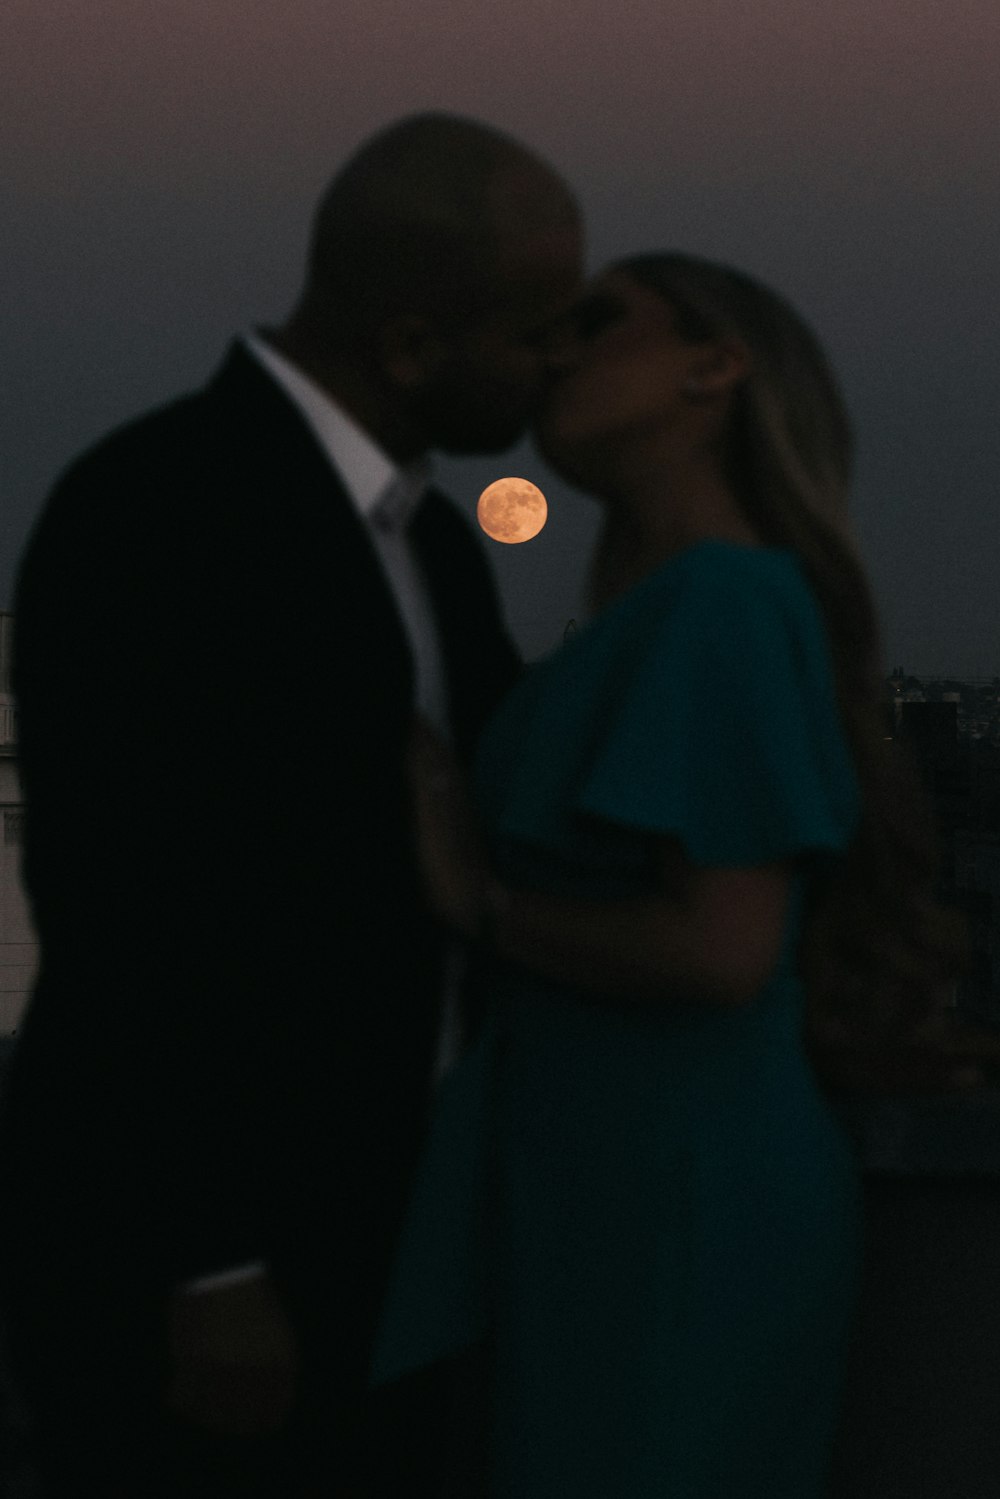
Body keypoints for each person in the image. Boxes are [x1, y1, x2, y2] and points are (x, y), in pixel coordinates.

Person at [0, 113, 583, 1497]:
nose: (554, 365)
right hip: (206, 1261)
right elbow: (122, 907)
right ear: (411, 344)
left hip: (380, 1230)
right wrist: (214, 1259)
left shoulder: (436, 541)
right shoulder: (157, 505)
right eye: (534, 332)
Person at [372, 253, 971, 1495]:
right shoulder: (670, 610)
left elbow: (719, 948)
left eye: (597, 324)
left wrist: (477, 898)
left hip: (672, 1203)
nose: (554, 352)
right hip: (607, 1182)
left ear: (715, 367)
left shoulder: (719, 603)